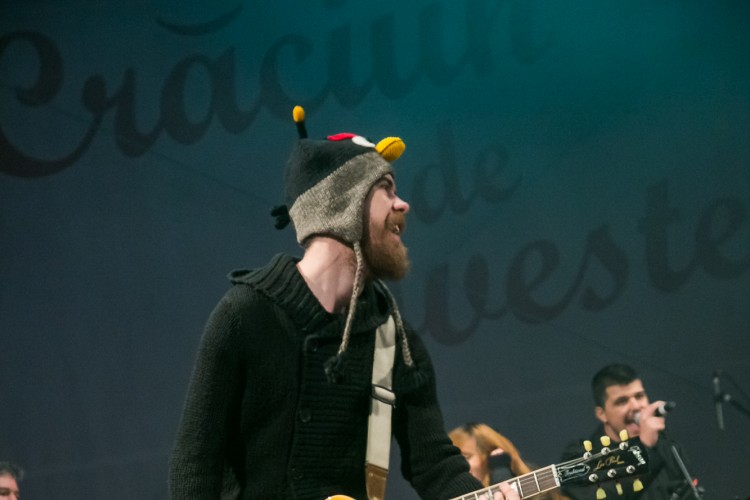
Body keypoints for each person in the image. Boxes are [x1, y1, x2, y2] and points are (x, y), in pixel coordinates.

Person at [169, 106, 520, 500]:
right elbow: (195, 466)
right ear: (342, 204)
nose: (403, 204)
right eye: (386, 188)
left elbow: (435, 465)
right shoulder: (246, 315)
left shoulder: (393, 338)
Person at [559, 363, 700, 499]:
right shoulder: (580, 455)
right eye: (622, 401)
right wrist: (644, 448)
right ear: (602, 414)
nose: (636, 406)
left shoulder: (664, 444)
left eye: (639, 396)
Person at [449, 423, 564, 500]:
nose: (457, 465)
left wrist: (501, 475)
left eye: (465, 457)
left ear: (491, 456)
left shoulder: (538, 492)